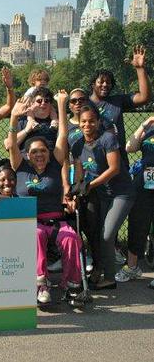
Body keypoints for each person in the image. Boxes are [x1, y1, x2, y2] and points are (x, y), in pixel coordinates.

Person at [9, 91, 82, 304]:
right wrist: (14, 117)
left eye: (42, 151)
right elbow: (12, 143)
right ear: (27, 155)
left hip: (57, 220)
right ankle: (41, 284)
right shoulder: (20, 166)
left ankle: (72, 285)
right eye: (34, 152)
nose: (39, 155)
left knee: (70, 237)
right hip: (31, 221)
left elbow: (62, 135)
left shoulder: (54, 165)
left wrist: (61, 105)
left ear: (49, 153)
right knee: (36, 234)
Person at [70, 103, 135, 290]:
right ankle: (103, 272)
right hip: (102, 195)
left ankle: (109, 278)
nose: (87, 125)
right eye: (83, 121)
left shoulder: (108, 138)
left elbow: (114, 169)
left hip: (121, 193)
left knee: (107, 235)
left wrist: (89, 185)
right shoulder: (78, 145)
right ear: (79, 123)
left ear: (98, 122)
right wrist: (77, 189)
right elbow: (80, 173)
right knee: (99, 234)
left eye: (91, 121)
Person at [89, 45, 152, 169]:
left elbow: (145, 97)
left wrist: (140, 69)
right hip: (93, 161)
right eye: (101, 81)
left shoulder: (117, 101)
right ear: (92, 84)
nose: (105, 84)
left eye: (108, 82)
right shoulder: (84, 103)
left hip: (119, 162)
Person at [114, 116, 154, 284]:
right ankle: (132, 267)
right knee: (137, 222)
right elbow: (130, 147)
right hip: (144, 182)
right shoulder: (150, 131)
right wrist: (143, 126)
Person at [4, 87, 58, 153]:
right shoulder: (23, 121)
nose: (43, 103)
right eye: (39, 101)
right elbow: (8, 146)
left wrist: (55, 120)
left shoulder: (56, 122)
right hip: (27, 161)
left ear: (50, 104)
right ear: (32, 103)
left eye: (46, 101)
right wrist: (27, 130)